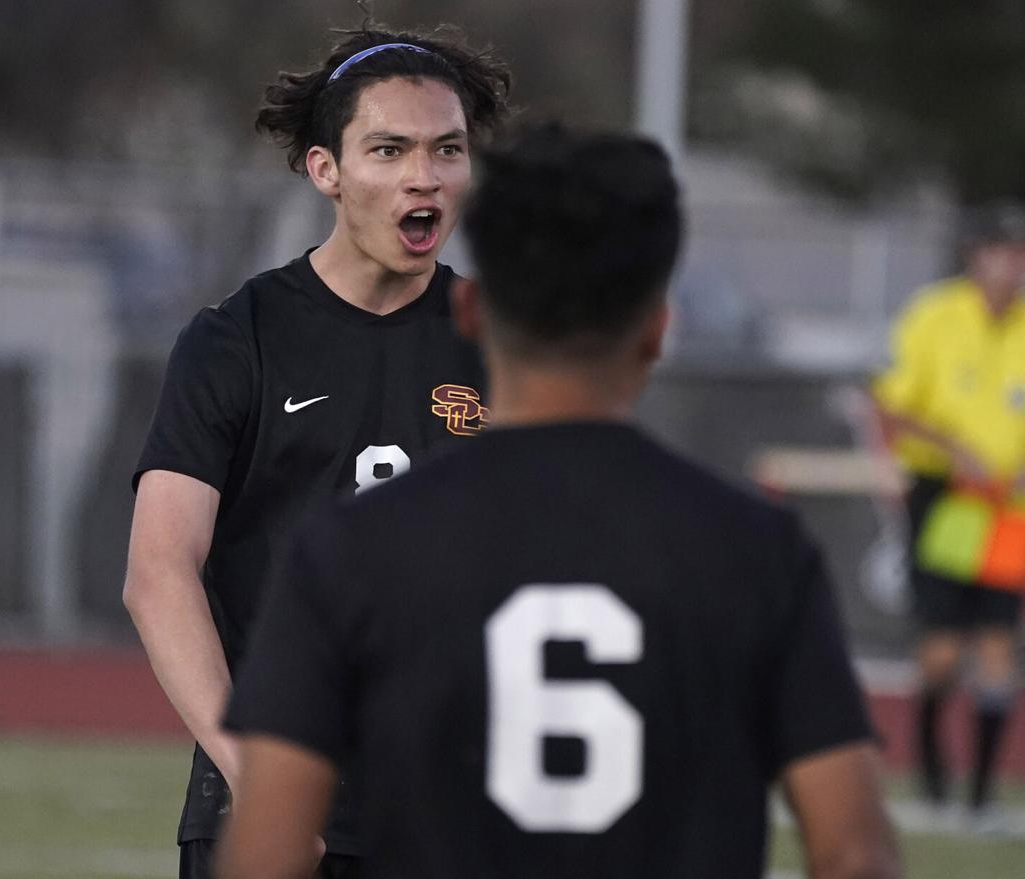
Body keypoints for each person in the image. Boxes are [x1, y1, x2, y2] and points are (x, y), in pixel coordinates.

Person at [217, 124, 902, 879]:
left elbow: (265, 855)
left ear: (470, 313)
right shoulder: (759, 549)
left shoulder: (348, 551)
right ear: (657, 329)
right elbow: (855, 851)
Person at [122, 22, 511, 879]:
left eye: (447, 149)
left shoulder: (508, 345)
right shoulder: (235, 341)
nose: (425, 176)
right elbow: (158, 570)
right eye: (389, 149)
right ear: (325, 170)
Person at [872, 202, 1025, 822]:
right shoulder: (935, 316)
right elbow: (892, 405)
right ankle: (931, 774)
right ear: (974, 256)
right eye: (999, 251)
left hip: (1009, 507)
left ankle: (980, 797)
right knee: (939, 652)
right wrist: (955, 451)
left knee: (996, 647)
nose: (1009, 266)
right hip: (947, 501)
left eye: (1018, 254)